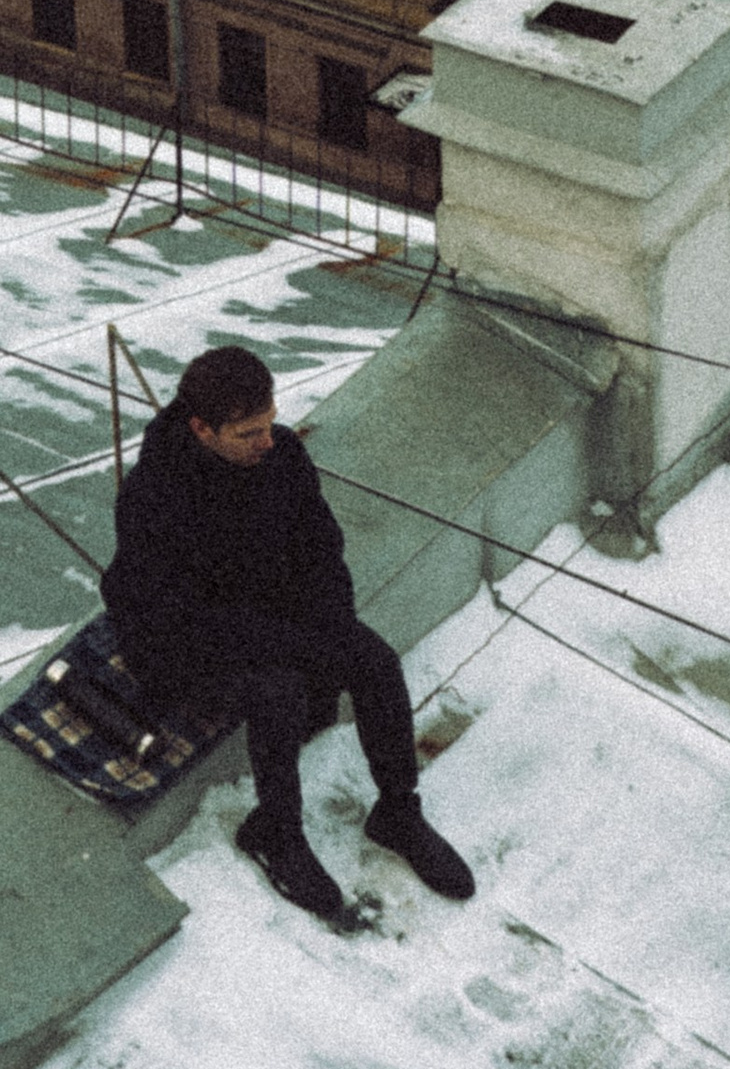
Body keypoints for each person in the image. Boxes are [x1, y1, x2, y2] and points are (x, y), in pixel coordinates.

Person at [103, 341, 473, 922]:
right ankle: (274, 832)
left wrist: (330, 618)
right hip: (176, 641)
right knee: (277, 691)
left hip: (271, 615)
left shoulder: (278, 458)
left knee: (373, 661)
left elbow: (322, 546)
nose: (267, 442)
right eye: (249, 433)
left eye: (270, 424)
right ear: (202, 429)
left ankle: (397, 812)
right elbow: (180, 615)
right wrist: (293, 642)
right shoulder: (153, 496)